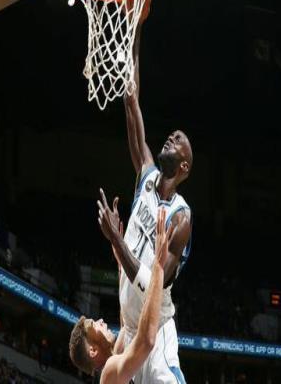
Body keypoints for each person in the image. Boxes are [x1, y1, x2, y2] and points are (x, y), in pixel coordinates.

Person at [97, 23, 192, 382]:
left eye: (178, 140)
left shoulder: (181, 218)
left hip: (157, 327)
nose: (171, 137)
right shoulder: (146, 175)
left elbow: (154, 283)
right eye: (171, 135)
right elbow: (130, 100)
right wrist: (134, 29)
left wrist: (115, 239)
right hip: (131, 328)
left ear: (184, 167)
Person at [69, 208, 173, 383]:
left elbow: (126, 324)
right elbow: (146, 340)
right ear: (93, 351)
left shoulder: (115, 359)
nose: (101, 320)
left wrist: (119, 251)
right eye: (95, 325)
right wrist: (158, 264)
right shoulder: (108, 374)